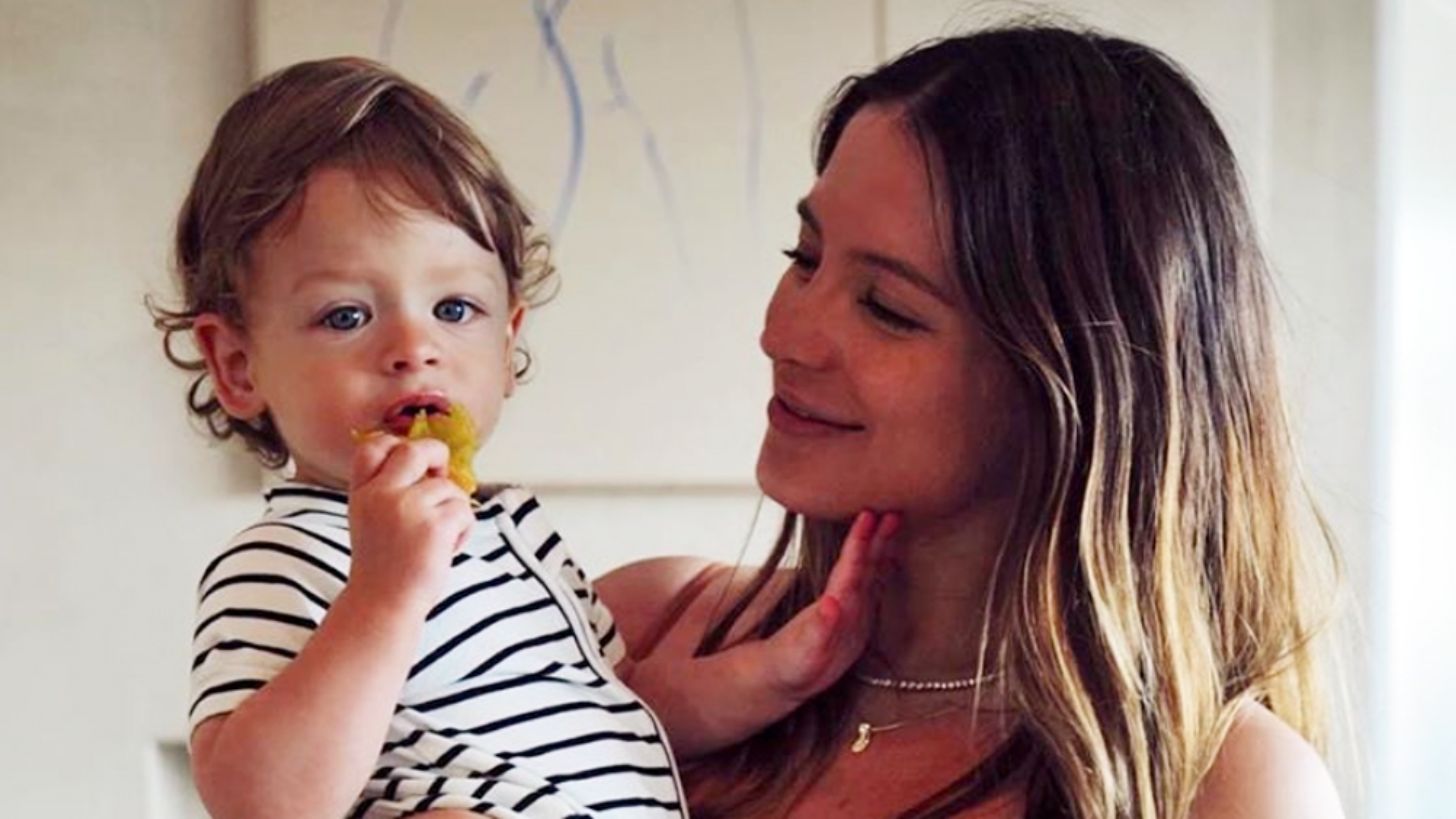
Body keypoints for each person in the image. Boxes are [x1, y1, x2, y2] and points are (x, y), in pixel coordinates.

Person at [599, 24, 1347, 818]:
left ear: (1072, 381)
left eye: (887, 308)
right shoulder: (642, 632)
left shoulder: (1222, 783)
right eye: (804, 258)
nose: (784, 335)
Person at [150, 57, 895, 819]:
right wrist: (383, 593)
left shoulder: (514, 535)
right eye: (346, 316)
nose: (414, 347)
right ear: (237, 365)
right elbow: (262, 801)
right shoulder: (284, 557)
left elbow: (617, 715)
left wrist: (775, 675)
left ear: (508, 343)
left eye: (454, 309)